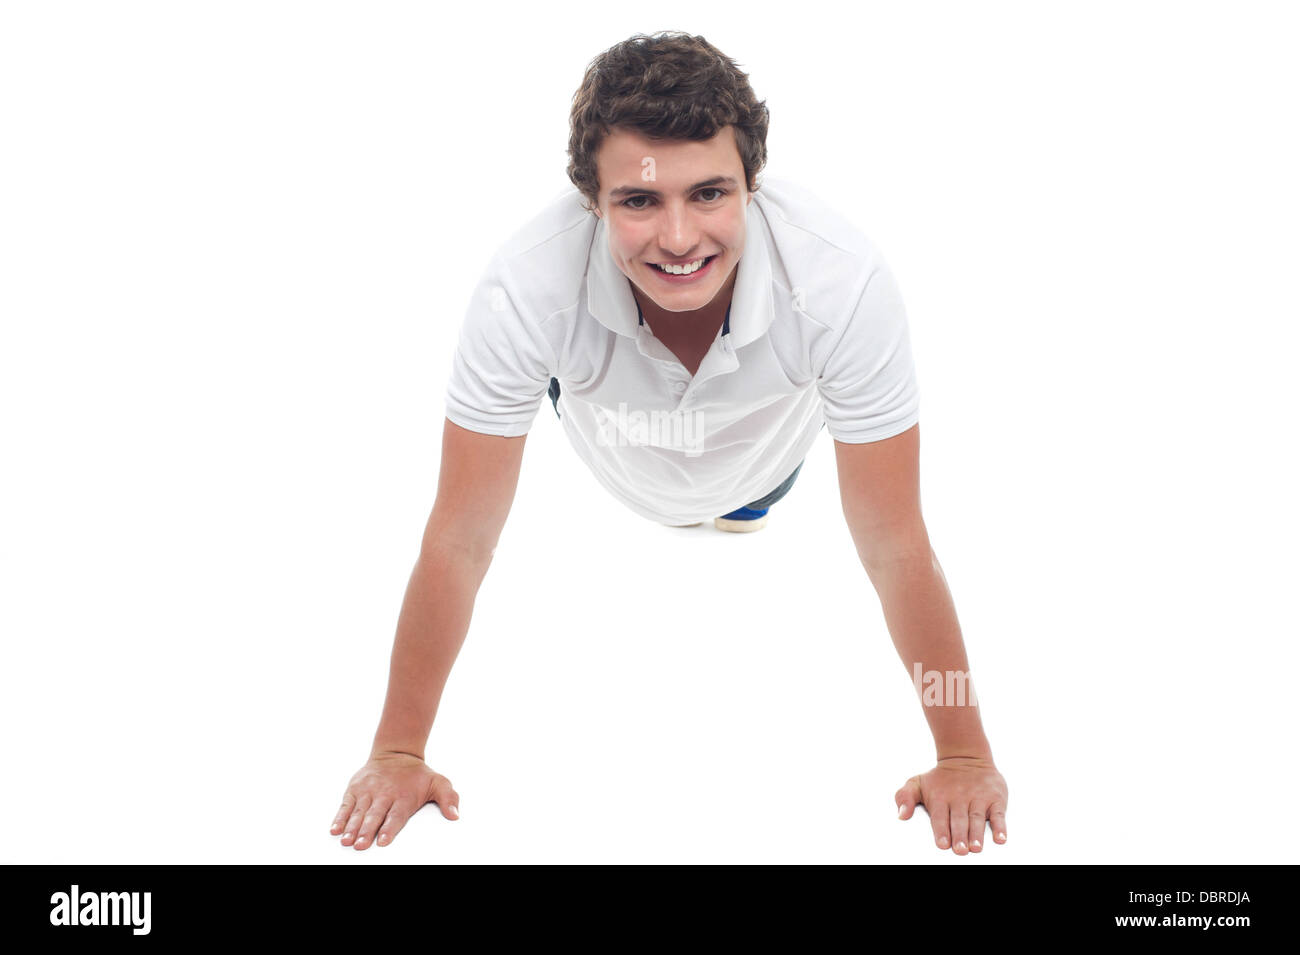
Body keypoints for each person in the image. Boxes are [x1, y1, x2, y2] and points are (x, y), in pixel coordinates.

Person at [331, 30, 1008, 855]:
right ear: (593, 201)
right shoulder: (525, 289)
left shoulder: (842, 284)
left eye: (711, 193)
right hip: (611, 443)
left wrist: (964, 751)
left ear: (755, 184)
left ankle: (736, 503)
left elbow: (896, 545)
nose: (680, 238)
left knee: (744, 502)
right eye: (639, 201)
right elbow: (461, 537)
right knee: (560, 368)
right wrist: (397, 749)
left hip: (760, 469)